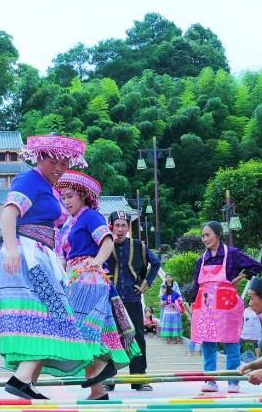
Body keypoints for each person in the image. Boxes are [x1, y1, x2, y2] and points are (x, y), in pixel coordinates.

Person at [0, 135, 95, 400]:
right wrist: (13, 249)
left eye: (64, 164)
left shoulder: (48, 187)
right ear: (39, 158)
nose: (59, 168)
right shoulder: (29, 180)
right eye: (53, 162)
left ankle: (28, 382)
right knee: (51, 313)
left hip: (39, 254)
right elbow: (9, 212)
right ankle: (21, 378)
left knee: (47, 314)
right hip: (27, 255)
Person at [55, 171, 138, 400]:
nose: (66, 201)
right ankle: (98, 391)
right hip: (75, 279)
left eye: (70, 196)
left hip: (89, 279)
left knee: (82, 330)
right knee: (90, 333)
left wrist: (97, 262)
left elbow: (107, 241)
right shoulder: (69, 224)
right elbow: (64, 255)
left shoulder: (91, 216)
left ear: (82, 195)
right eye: (63, 197)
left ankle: (104, 365)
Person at [186, 221, 261, 393]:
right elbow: (197, 286)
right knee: (207, 342)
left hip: (227, 305)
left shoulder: (232, 254)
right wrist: (193, 307)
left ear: (218, 234)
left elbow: (255, 266)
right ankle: (210, 380)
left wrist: (240, 277)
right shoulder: (201, 260)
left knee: (231, 340)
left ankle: (233, 381)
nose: (205, 239)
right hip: (205, 305)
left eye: (208, 235)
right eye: (203, 236)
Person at [103, 210, 161, 390]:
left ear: (128, 227)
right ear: (111, 226)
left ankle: (139, 379)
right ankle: (108, 380)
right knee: (109, 337)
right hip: (109, 299)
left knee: (137, 337)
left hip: (132, 298)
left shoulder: (139, 246)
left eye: (124, 225)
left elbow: (156, 263)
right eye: (117, 225)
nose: (120, 229)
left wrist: (145, 283)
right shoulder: (104, 245)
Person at [158, 275, 185, 344]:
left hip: (175, 312)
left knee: (175, 325)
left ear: (167, 288)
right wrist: (163, 303)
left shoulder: (175, 294)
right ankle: (168, 339)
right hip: (167, 313)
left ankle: (177, 340)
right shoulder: (164, 296)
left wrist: (176, 303)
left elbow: (181, 300)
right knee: (168, 325)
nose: (162, 291)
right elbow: (161, 304)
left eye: (164, 289)